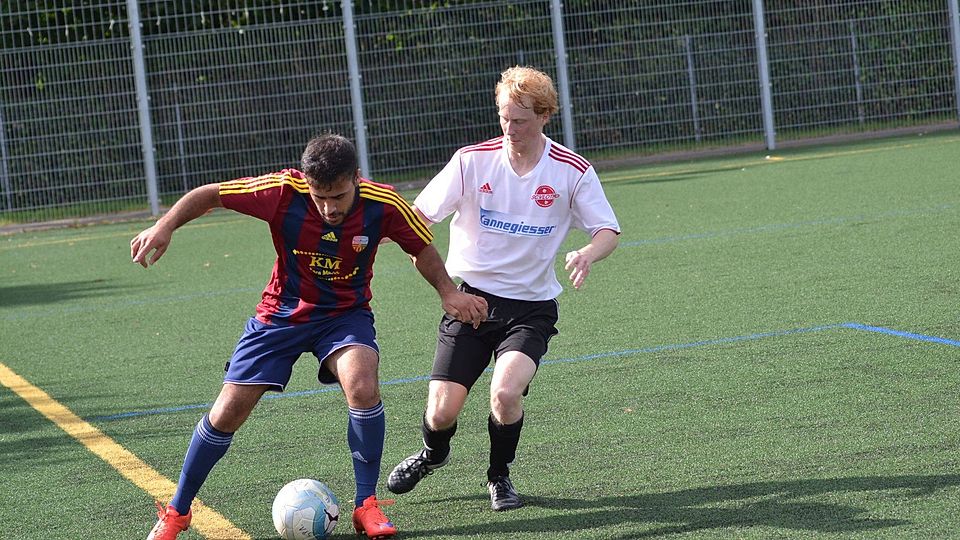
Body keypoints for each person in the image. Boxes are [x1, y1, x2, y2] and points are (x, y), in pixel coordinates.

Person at [131, 133, 488, 540]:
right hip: (280, 314)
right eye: (320, 197)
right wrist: (165, 225)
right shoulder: (282, 191)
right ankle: (177, 512)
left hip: (344, 316)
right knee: (228, 410)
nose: (328, 208)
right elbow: (211, 194)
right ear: (306, 181)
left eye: (337, 196)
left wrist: (447, 291)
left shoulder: (383, 204)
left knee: (363, 383)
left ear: (356, 177)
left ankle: (366, 506)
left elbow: (420, 247)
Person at [386, 66, 621, 510]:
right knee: (441, 413)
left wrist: (589, 252)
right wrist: (374, 235)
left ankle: (500, 476)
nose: (510, 129)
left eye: (521, 120)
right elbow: (418, 217)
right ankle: (432, 455)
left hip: (531, 308)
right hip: (471, 301)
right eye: (504, 117)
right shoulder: (471, 161)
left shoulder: (571, 170)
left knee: (505, 392)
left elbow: (607, 229)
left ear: (545, 116)